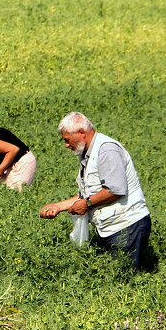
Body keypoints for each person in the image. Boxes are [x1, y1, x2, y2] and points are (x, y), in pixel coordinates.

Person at [39, 112, 154, 272]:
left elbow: (115, 190)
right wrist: (58, 206)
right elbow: (88, 194)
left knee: (123, 281)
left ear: (81, 132)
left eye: (67, 139)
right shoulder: (88, 153)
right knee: (111, 277)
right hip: (111, 227)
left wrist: (86, 204)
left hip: (127, 226)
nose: (66, 145)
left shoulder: (106, 151)